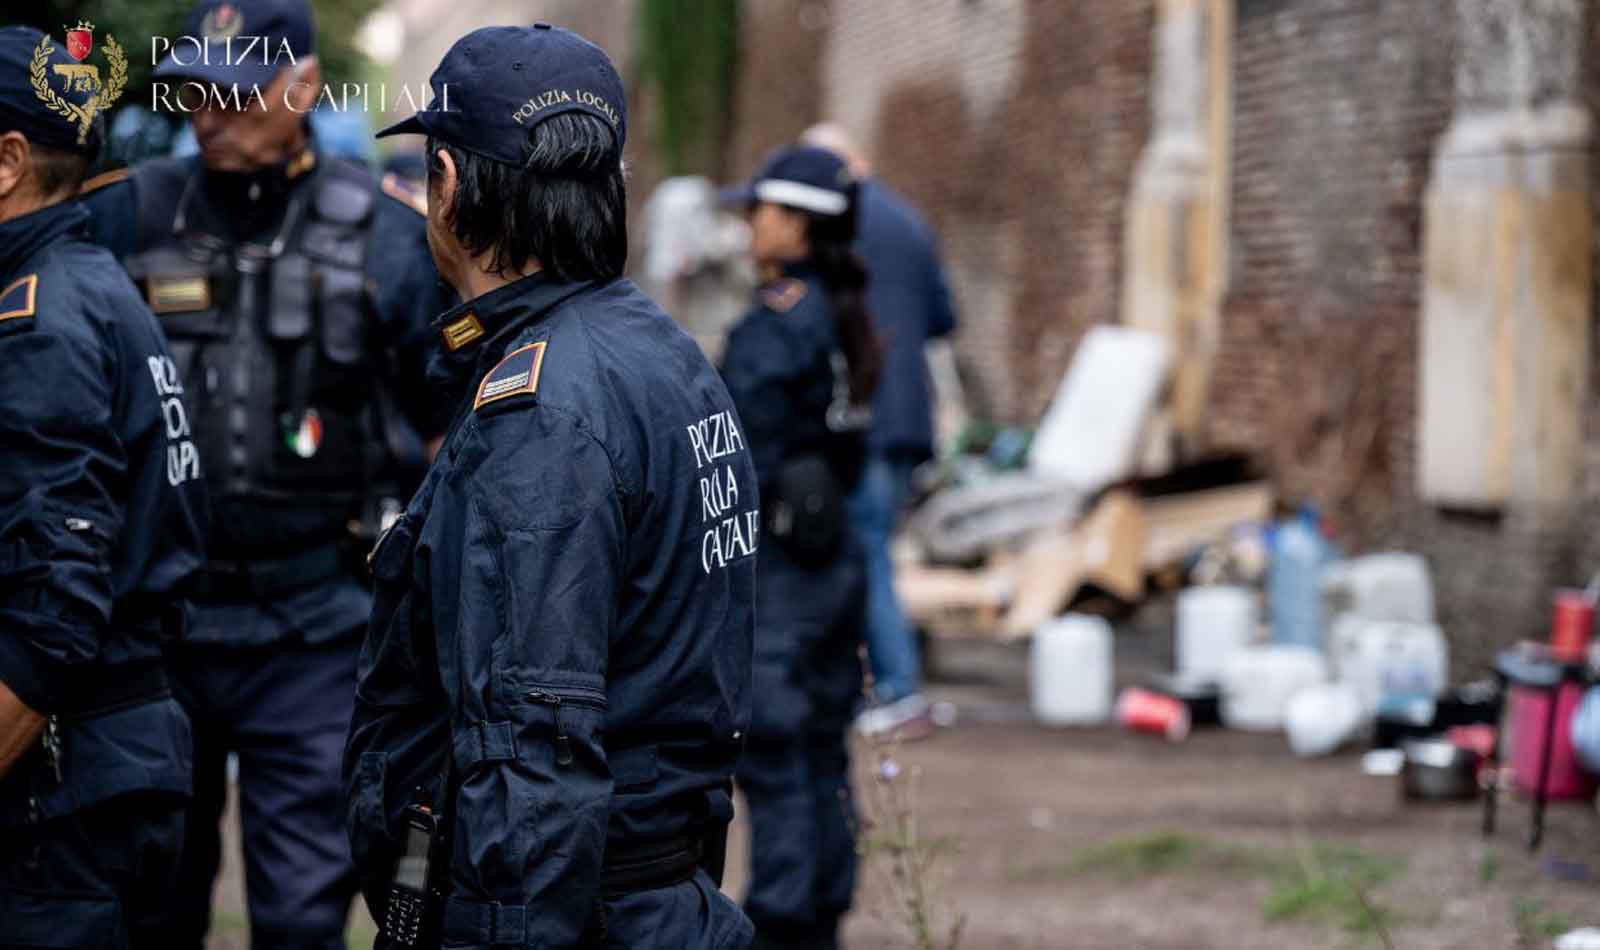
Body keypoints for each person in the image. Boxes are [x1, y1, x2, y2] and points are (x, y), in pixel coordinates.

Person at [345, 24, 756, 950]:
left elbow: (528, 753)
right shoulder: (658, 350)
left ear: (447, 186)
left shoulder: (542, 407)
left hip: (579, 913)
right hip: (659, 897)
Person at [77, 1, 450, 945]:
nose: (213, 111)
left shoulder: (390, 239)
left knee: (300, 913)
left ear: (306, 87)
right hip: (157, 631)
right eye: (197, 89)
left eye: (238, 90)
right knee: (149, 902)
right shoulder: (124, 215)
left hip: (317, 631)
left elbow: (454, 427)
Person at [0, 25, 208, 948]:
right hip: (107, 766)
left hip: (62, 795)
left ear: (8, 160)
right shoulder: (93, 282)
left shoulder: (40, 319)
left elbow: (53, 613)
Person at [719, 144, 880, 950]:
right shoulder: (846, 311)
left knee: (779, 757)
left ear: (796, 222)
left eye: (760, 210)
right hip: (835, 560)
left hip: (783, 570)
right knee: (822, 754)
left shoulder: (778, 324)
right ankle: (820, 913)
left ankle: (784, 924)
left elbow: (732, 451)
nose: (750, 225)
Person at [801, 123, 957, 739]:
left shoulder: (831, 223)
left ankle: (895, 688)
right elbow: (945, 317)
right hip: (909, 413)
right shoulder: (912, 221)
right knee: (876, 547)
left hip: (858, 411)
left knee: (864, 552)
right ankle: (885, 683)